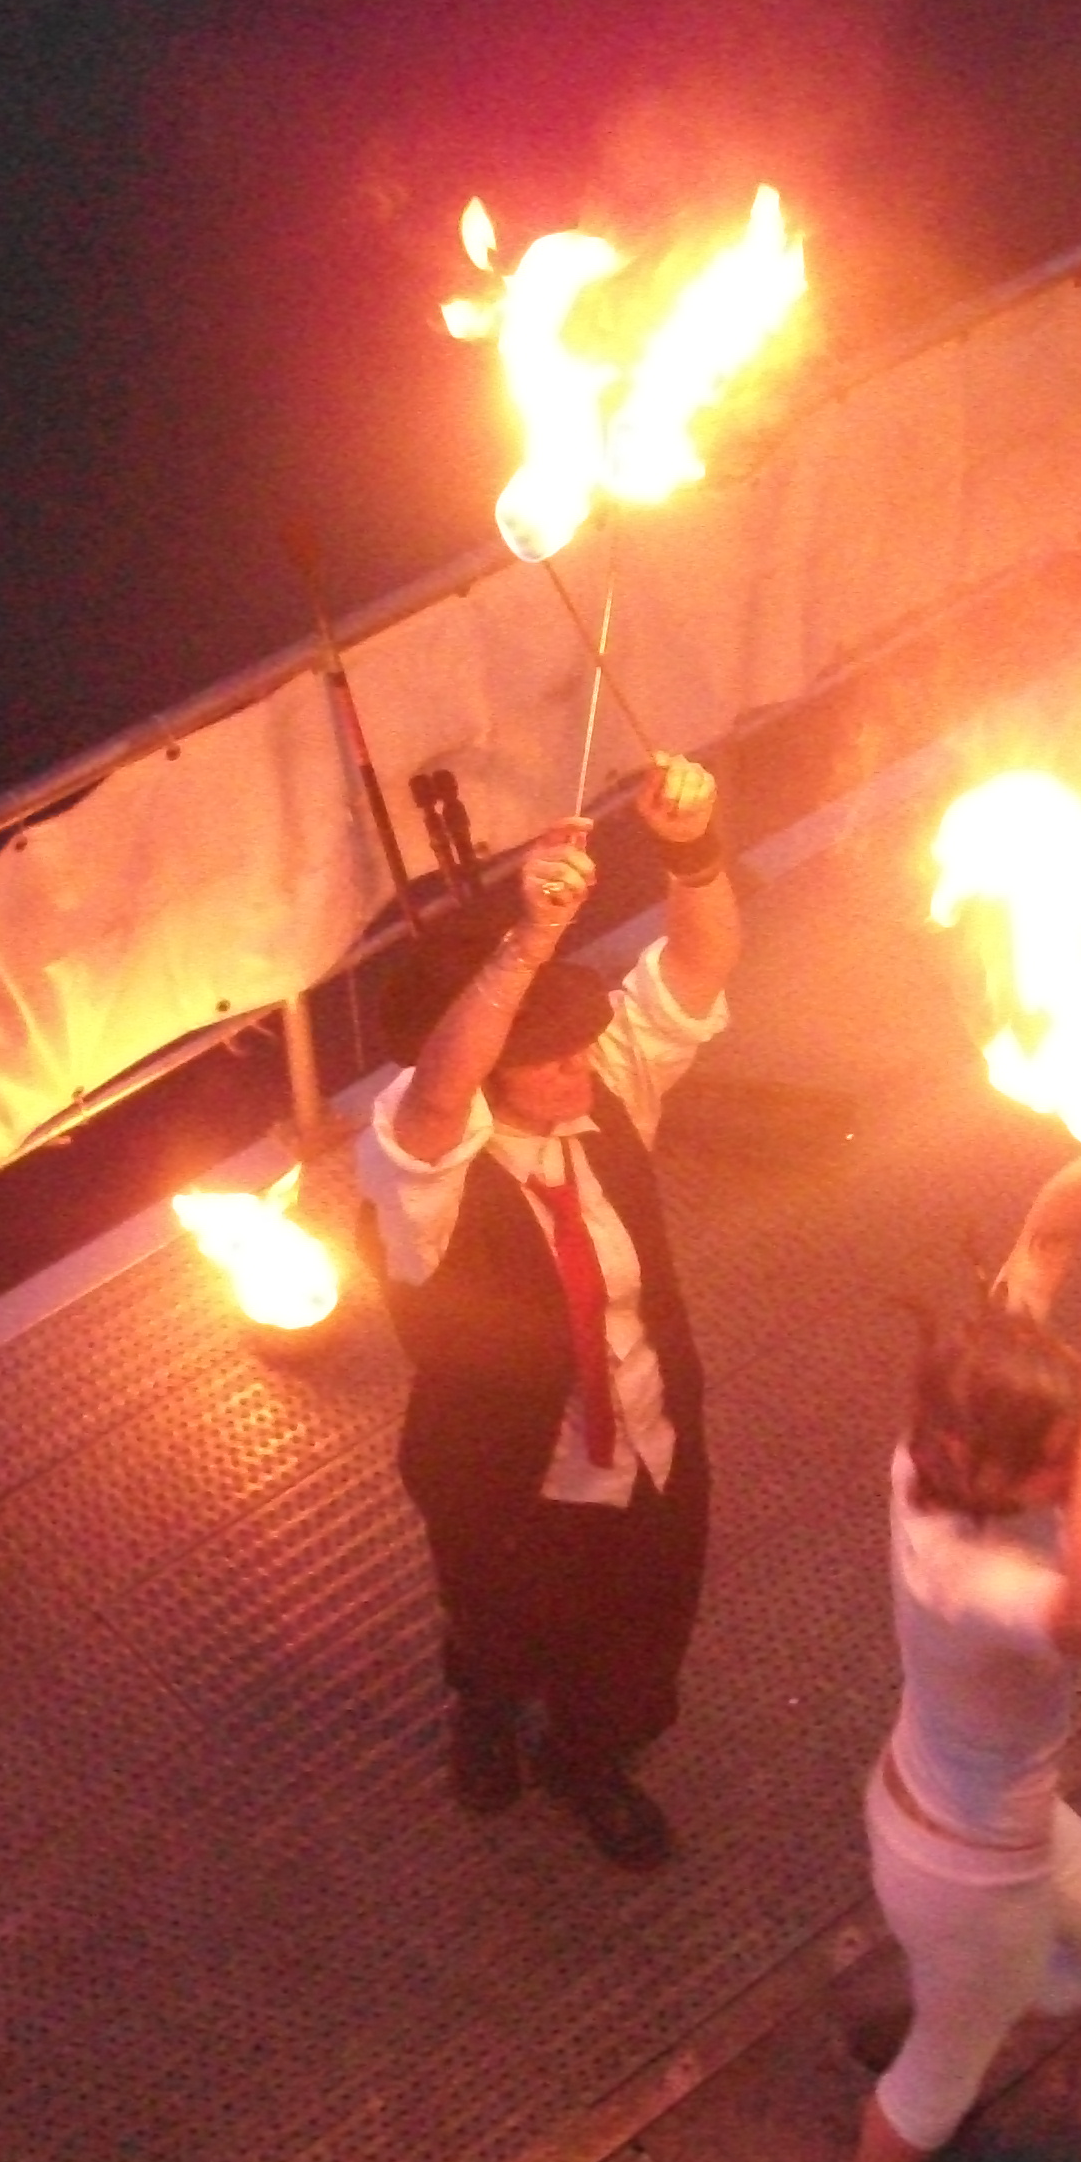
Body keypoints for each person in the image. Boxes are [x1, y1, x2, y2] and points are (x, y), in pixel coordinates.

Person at [356, 753, 740, 1870]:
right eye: (539, 1051)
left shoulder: (602, 1084)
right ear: (487, 1069)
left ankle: (590, 1761)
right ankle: (486, 1706)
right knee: (499, 1620)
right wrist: (526, 944)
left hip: (650, 1445)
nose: (579, 1057)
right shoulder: (423, 1166)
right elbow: (438, 1094)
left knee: (641, 1638)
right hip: (506, 1473)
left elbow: (698, 966)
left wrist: (691, 848)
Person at [827, 1155, 1081, 2162]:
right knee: (944, 2072)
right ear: (988, 1465)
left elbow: (1042, 1250)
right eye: (1058, 1467)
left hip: (948, 1811)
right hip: (971, 1868)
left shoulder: (938, 1442)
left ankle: (955, 1997)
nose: (1076, 1476)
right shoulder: (966, 1579)